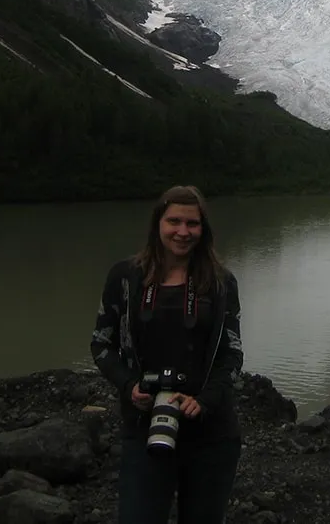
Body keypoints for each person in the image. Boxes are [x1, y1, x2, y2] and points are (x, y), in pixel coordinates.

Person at [90, 185, 244, 524]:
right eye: (174, 221)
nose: (183, 232)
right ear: (157, 223)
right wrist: (129, 386)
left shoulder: (221, 282)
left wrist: (204, 400)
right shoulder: (125, 277)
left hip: (211, 431)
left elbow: (232, 355)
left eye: (193, 223)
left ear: (204, 229)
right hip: (144, 424)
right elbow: (101, 345)